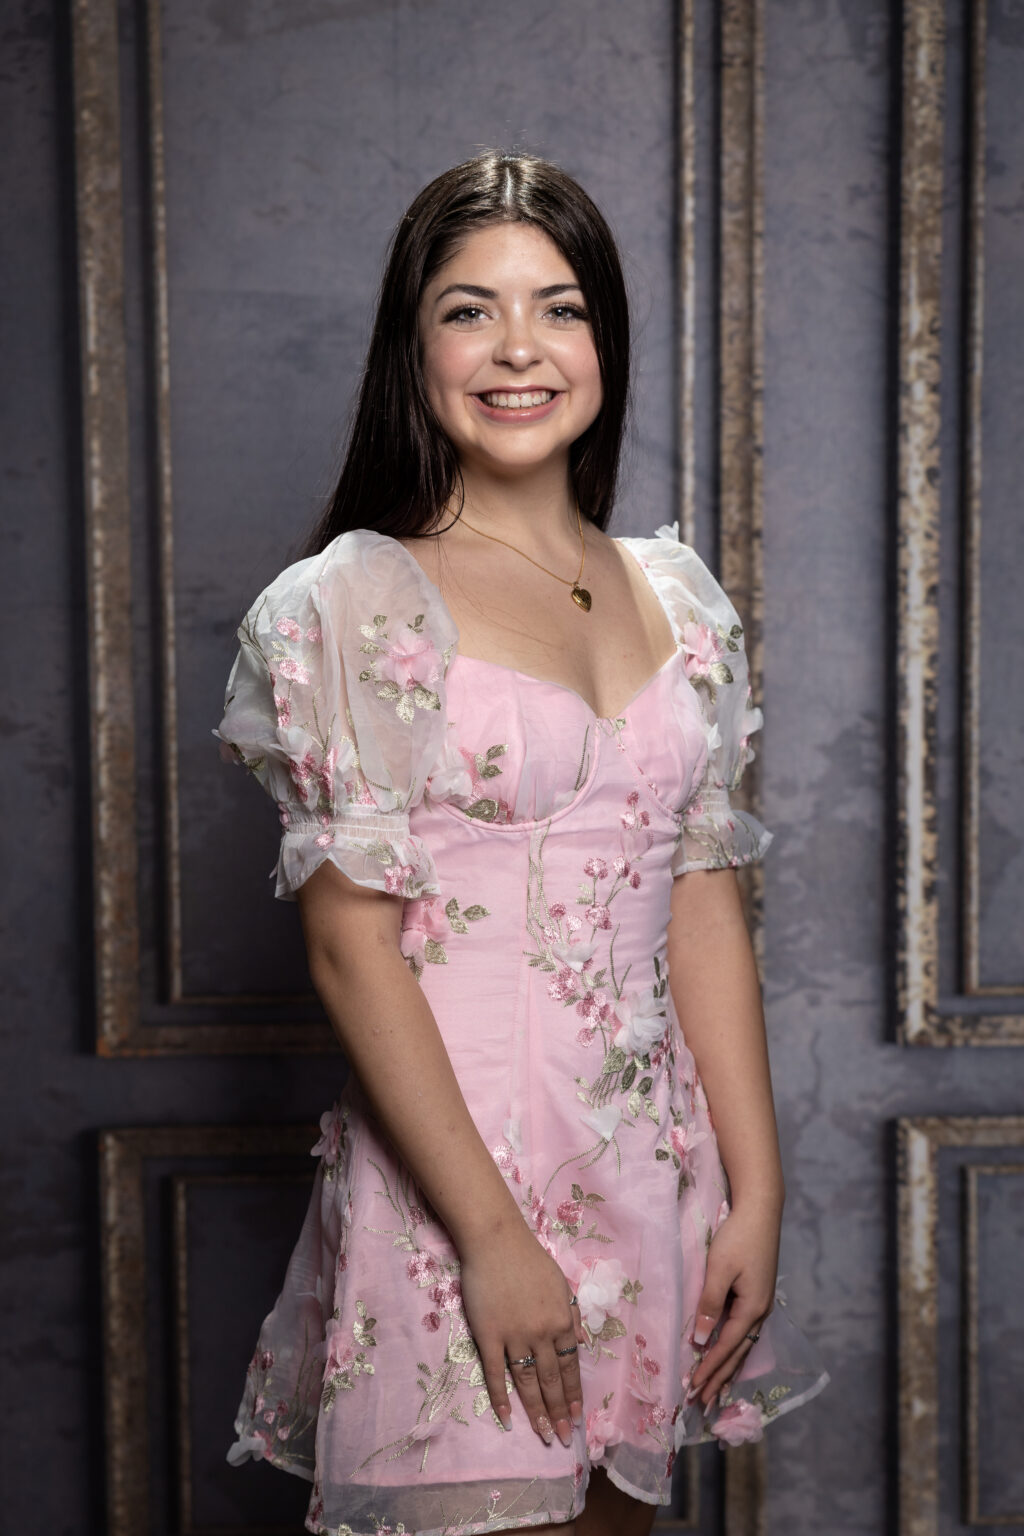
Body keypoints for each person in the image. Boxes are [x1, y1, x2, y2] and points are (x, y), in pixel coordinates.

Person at [216, 149, 829, 1536]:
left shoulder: (676, 600)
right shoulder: (356, 602)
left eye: (558, 308)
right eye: (467, 309)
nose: (516, 349)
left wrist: (758, 1188)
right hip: (458, 1194)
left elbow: (704, 902)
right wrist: (492, 1241)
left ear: (603, 339)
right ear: (412, 344)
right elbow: (345, 945)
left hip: (653, 1174)